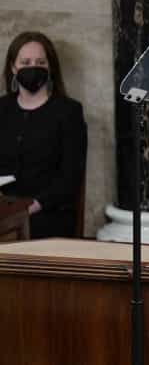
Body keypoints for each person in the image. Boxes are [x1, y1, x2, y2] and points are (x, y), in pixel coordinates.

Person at [0, 32, 86, 238]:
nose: (33, 66)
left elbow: (70, 178)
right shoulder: (1, 108)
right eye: (25, 62)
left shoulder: (68, 112)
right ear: (13, 67)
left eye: (40, 62)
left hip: (48, 213)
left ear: (50, 68)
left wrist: (30, 208)